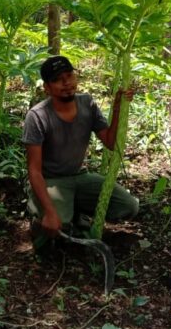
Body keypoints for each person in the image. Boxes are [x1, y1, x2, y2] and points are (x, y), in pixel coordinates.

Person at [23, 56, 139, 243]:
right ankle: (39, 211)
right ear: (47, 87)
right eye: (58, 79)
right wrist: (50, 213)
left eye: (69, 76)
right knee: (58, 227)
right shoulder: (37, 116)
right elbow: (34, 171)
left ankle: (72, 207)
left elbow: (110, 142)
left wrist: (118, 109)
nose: (66, 83)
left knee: (129, 206)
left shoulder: (87, 104)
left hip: (80, 177)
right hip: (51, 182)